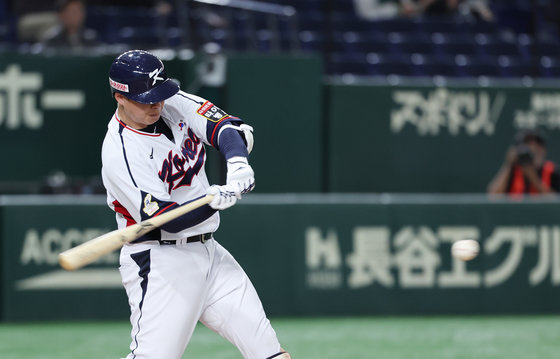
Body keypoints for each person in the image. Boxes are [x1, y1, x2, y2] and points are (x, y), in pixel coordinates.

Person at [101, 50, 291, 359]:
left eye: (158, 95)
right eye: (145, 100)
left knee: (269, 354)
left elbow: (225, 127)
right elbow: (166, 219)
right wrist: (212, 202)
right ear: (120, 97)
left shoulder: (171, 104)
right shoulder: (119, 152)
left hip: (211, 254)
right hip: (161, 261)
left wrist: (239, 164)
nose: (156, 105)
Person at [487, 129, 560, 196]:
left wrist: (533, 178)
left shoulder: (552, 171)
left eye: (538, 145)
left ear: (544, 150)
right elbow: (493, 197)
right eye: (528, 145)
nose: (533, 149)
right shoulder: (513, 171)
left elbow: (555, 203)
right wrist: (508, 164)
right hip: (515, 210)